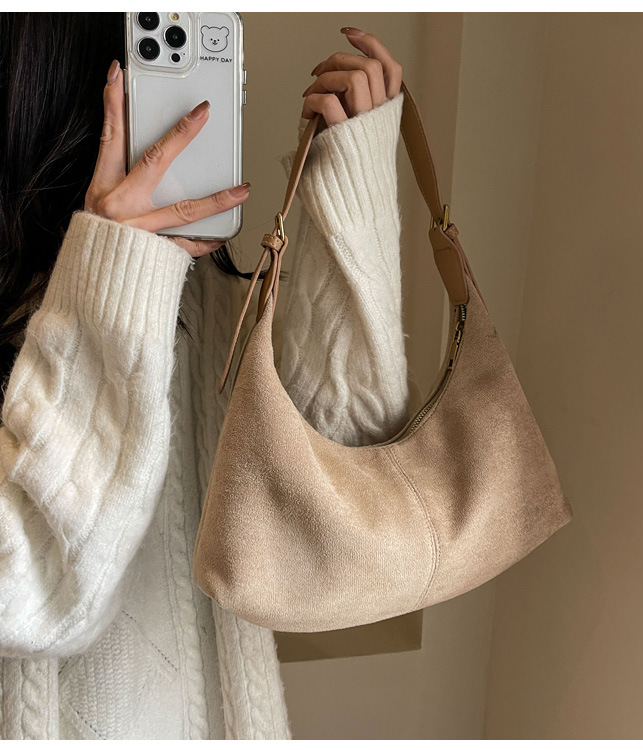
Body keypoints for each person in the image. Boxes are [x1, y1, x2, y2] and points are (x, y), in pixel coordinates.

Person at [0, 14, 410, 740]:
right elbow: (26, 597)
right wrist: (112, 275)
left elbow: (350, 474)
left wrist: (355, 170)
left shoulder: (200, 293)